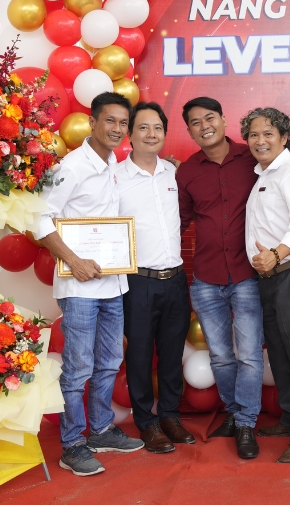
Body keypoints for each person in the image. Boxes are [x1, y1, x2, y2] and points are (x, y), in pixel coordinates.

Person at [36, 92, 144, 477]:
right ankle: (72, 444)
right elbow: (39, 219)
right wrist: (74, 261)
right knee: (79, 367)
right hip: (80, 288)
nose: (117, 129)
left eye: (122, 123)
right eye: (109, 120)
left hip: (113, 284)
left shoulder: (113, 162)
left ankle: (100, 430)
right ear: (93, 122)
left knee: (110, 361)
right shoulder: (71, 166)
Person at [176, 97, 263, 459]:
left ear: (224, 120)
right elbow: (179, 221)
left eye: (209, 118)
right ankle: (234, 412)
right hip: (207, 277)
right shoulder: (187, 172)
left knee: (250, 356)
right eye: (195, 122)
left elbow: (286, 178)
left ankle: (246, 423)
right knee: (221, 357)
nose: (204, 126)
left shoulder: (253, 156)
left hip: (247, 274)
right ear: (190, 131)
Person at [241, 107, 290, 464]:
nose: (260, 140)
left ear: (284, 137)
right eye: (254, 135)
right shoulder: (263, 174)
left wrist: (275, 254)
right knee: (279, 351)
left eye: (268, 133)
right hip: (269, 277)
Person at [115, 102, 194, 454]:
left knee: (172, 353)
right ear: (130, 134)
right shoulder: (114, 178)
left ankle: (171, 416)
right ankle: (147, 422)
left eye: (157, 128)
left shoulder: (175, 174)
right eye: (143, 127)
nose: (151, 134)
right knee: (140, 355)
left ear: (165, 133)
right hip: (138, 281)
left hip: (175, 278)